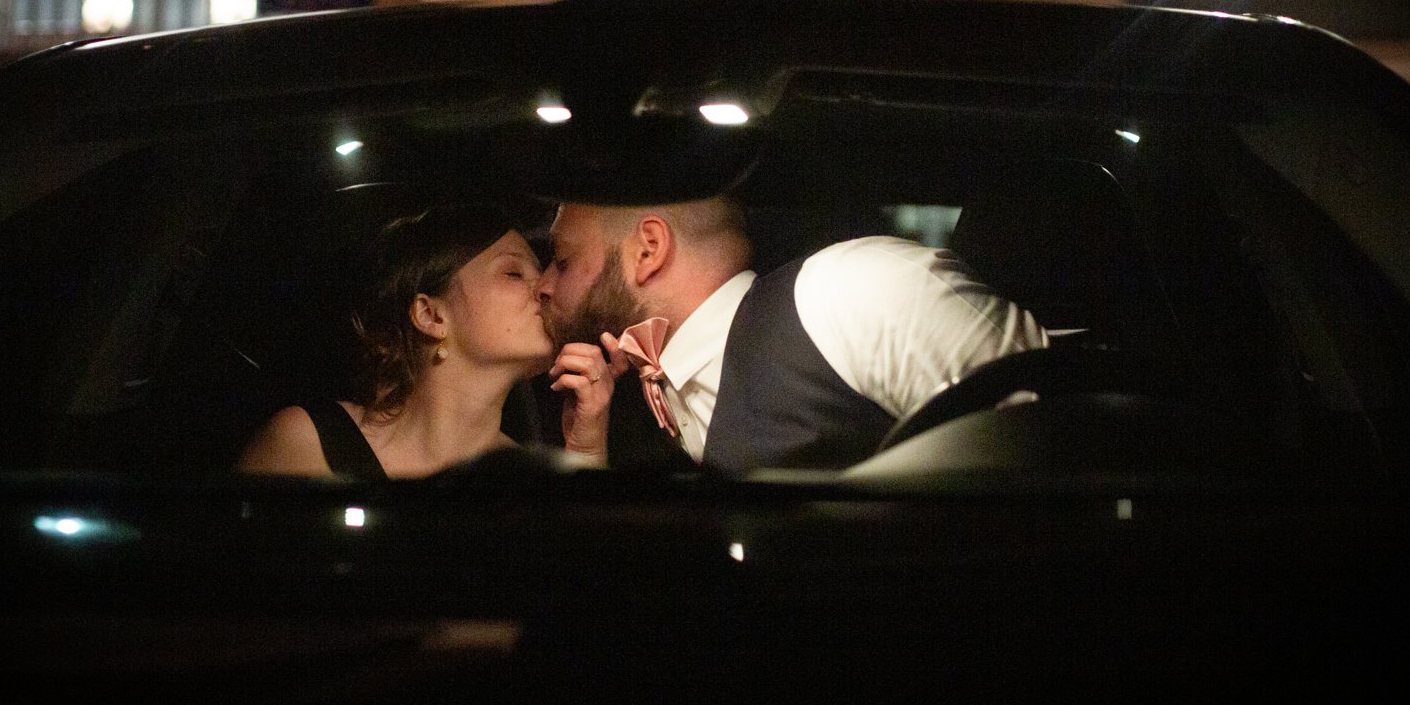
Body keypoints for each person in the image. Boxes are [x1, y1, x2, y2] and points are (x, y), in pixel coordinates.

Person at [536, 197, 1048, 474]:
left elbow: (1044, 446)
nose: (544, 283)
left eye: (562, 261)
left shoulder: (850, 290)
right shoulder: (632, 394)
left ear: (647, 250)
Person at [239, 203, 616, 479]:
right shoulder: (306, 444)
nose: (547, 288)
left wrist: (586, 453)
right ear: (430, 316)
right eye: (514, 273)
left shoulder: (528, 479)